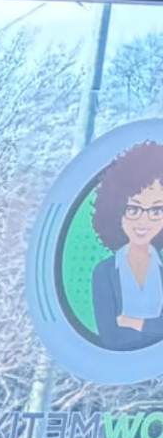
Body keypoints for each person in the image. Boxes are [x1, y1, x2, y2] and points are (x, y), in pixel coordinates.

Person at [88, 140, 163, 345]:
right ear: (116, 209)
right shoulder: (103, 273)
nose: (144, 221)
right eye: (133, 209)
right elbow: (111, 339)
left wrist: (135, 322)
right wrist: (154, 327)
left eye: (156, 211)